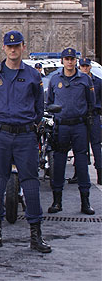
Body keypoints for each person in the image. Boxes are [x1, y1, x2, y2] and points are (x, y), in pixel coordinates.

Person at [0, 30, 51, 253]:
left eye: (17, 46)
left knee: (30, 183)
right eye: (9, 46)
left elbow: (39, 108)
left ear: (23, 47)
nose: (13, 49)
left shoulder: (32, 75)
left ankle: (35, 236)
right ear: (3, 48)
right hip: (2, 135)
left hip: (25, 136)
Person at [46, 49, 95, 215]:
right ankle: (57, 202)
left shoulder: (85, 79)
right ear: (62, 61)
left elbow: (91, 103)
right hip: (61, 127)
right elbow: (50, 103)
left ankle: (85, 202)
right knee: (58, 164)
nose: (69, 62)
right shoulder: (54, 79)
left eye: (72, 59)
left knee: (81, 163)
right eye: (66, 59)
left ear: (76, 61)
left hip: (79, 126)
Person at [78, 58, 101, 185]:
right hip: (81, 117)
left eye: (87, 66)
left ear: (90, 67)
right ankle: (79, 174)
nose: (85, 68)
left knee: (96, 145)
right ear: (80, 67)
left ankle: (100, 173)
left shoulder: (98, 82)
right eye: (83, 66)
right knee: (80, 146)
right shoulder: (76, 82)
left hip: (94, 116)